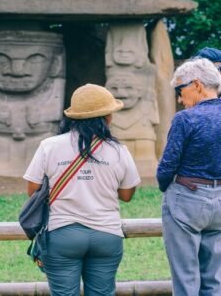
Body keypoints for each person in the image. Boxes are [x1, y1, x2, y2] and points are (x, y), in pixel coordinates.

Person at [23, 83, 141, 296]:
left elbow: (33, 189)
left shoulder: (49, 146)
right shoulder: (119, 151)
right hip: (106, 234)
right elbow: (126, 195)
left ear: (73, 117)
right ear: (107, 117)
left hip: (61, 234)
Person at [156, 58, 221, 296]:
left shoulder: (186, 119)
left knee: (186, 279)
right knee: (214, 280)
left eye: (180, 91)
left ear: (197, 85)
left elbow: (167, 167)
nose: (179, 99)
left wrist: (166, 187)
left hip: (187, 198)